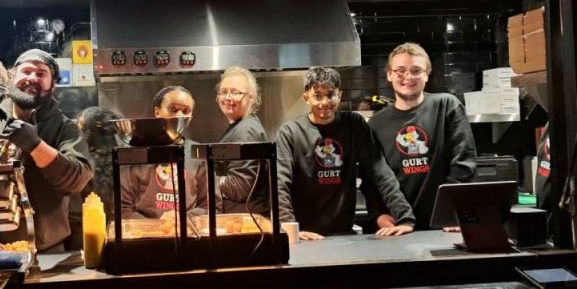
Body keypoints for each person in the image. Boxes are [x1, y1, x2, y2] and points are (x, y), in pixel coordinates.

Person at [0, 48, 93, 253]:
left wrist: (35, 145)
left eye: (41, 74)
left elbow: (78, 179)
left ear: (53, 84)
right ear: (12, 75)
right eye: (26, 71)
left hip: (44, 252)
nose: (32, 78)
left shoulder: (64, 129)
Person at [277, 66, 414, 240]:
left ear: (339, 95)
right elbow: (281, 184)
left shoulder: (354, 124)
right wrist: (289, 230)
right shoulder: (290, 132)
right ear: (306, 98)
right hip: (305, 235)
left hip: (344, 233)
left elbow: (379, 171)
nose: (325, 102)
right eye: (317, 95)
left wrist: (405, 219)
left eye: (330, 95)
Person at [368, 42, 477, 230]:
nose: (408, 77)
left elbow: (464, 161)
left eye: (416, 70)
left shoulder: (446, 105)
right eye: (400, 70)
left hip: (445, 224)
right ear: (389, 74)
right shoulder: (376, 124)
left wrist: (451, 211)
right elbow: (373, 178)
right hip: (397, 225)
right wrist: (379, 214)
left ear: (427, 74)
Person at [120, 86, 209, 219]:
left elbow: (209, 205)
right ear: (157, 111)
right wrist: (157, 228)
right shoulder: (134, 153)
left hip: (188, 233)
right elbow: (122, 208)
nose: (179, 116)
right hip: (145, 235)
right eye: (172, 109)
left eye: (186, 111)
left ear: (191, 116)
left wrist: (182, 220)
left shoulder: (197, 152)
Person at [214, 67, 270, 214]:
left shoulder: (246, 131)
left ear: (251, 97)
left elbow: (240, 185)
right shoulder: (239, 126)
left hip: (246, 220)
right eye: (224, 92)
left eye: (235, 92)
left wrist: (202, 179)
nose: (228, 97)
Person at [76, 105, 126, 220]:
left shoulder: (83, 162)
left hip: (91, 223)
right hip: (119, 224)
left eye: (80, 125)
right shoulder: (124, 158)